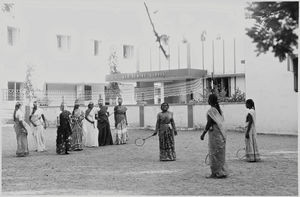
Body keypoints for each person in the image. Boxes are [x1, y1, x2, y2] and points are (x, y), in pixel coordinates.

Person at [201, 94, 228, 178]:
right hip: (219, 132)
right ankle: (221, 171)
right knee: (219, 153)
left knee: (213, 153)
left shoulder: (211, 110)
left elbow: (209, 123)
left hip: (214, 133)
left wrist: (203, 133)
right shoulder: (218, 110)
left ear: (209, 100)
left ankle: (214, 173)